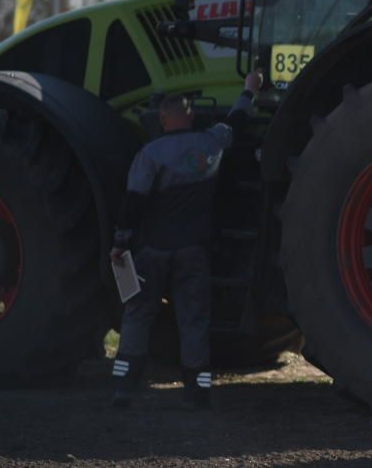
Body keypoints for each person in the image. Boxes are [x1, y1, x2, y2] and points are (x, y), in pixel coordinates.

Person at [110, 69, 263, 408]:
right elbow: (237, 121)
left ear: (162, 119)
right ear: (190, 116)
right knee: (194, 319)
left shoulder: (150, 154)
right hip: (194, 250)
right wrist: (249, 89)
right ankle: (198, 392)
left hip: (153, 250)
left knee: (137, 313)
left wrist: (120, 243)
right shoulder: (209, 144)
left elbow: (133, 202)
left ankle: (124, 386)